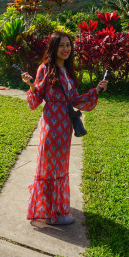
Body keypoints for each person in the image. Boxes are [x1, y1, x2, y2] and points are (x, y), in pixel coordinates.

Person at [20, 31, 108, 225]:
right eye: (61, 45)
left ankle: (55, 206)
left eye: (68, 45)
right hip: (52, 125)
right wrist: (31, 85)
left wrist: (97, 90)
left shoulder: (67, 72)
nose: (66, 49)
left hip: (65, 127)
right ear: (53, 47)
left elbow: (75, 99)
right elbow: (35, 101)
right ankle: (52, 214)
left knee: (59, 167)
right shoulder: (45, 68)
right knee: (50, 166)